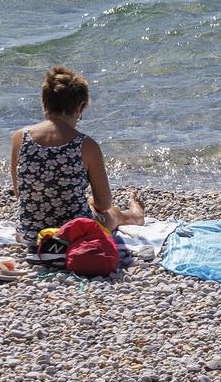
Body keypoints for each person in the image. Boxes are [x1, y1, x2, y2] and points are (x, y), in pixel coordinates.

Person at [10, 66, 145, 251]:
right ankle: (133, 216)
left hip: (31, 234)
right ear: (80, 107)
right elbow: (103, 203)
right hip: (75, 235)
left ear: (44, 102)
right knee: (109, 213)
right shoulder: (85, 145)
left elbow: (20, 193)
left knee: (85, 201)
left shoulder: (20, 137)